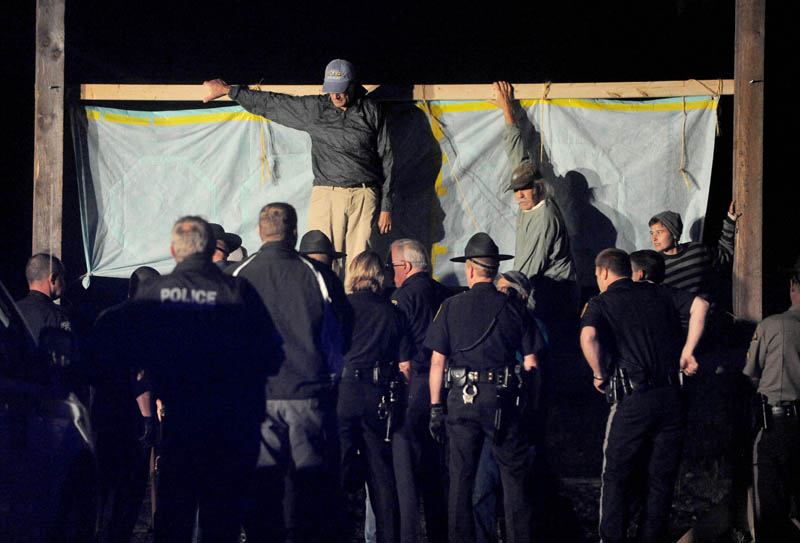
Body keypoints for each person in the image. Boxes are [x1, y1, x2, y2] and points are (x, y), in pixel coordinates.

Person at [128, 216, 278, 543]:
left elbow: (130, 359)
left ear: (172, 251)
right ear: (212, 250)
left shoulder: (154, 292)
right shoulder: (238, 291)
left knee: (173, 522)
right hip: (228, 428)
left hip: (178, 425)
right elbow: (270, 356)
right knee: (220, 524)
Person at [203, 59, 395, 286]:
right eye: (331, 90)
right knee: (320, 254)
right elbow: (275, 104)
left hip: (364, 194)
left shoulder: (371, 111)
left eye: (340, 90)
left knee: (361, 260)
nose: (335, 96)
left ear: (353, 85)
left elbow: (387, 157)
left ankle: (357, 309)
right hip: (328, 192)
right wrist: (228, 91)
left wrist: (386, 207)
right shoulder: (317, 109)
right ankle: (321, 304)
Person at [229, 203, 348, 543]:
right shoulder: (318, 275)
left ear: (259, 231)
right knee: (307, 494)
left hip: (256, 402)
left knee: (261, 490)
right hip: (307, 397)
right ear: (294, 232)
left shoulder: (238, 275)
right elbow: (341, 338)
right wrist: (327, 379)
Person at [580, 248, 709, 542]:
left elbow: (588, 337)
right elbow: (700, 304)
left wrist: (598, 373)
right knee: (660, 481)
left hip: (633, 399)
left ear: (603, 272)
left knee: (616, 477)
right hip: (672, 399)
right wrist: (688, 352)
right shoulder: (660, 293)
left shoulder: (601, 302)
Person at [425, 232, 539, 543]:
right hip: (504, 401)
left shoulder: (450, 307)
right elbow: (531, 363)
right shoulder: (514, 308)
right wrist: (528, 403)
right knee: (514, 481)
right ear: (494, 270)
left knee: (460, 481)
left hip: (461, 400)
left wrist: (436, 408)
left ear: (471, 270)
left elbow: (437, 364)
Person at [337, 250, 412, 543]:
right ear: (379, 276)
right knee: (381, 477)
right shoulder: (393, 312)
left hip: (343, 393)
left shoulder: (339, 308)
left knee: (338, 472)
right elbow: (405, 366)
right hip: (378, 397)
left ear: (353, 274)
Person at [491, 81, 577, 322]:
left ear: (538, 187)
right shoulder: (528, 194)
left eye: (525, 189)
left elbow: (529, 268)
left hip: (554, 297)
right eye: (516, 191)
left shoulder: (544, 216)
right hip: (539, 290)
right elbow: (517, 153)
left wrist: (497, 288)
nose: (519, 195)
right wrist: (507, 110)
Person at [88, 265, 159, 543]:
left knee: (103, 485)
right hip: (131, 420)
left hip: (103, 413)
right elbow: (140, 374)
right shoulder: (145, 323)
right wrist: (148, 420)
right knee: (129, 490)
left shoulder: (105, 318)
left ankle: (93, 534)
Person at [388, 238, 451, 543]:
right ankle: (440, 533)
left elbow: (396, 343)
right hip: (442, 390)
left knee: (405, 472)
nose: (392, 274)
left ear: (407, 267)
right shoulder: (445, 294)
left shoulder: (403, 297)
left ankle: (408, 536)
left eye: (394, 267)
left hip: (412, 385)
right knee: (436, 469)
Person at [742, 257, 800, 542]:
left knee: (771, 507)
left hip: (780, 425)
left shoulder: (773, 326)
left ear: (793, 285)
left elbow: (752, 374)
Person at [648, 202, 739, 300]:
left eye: (659, 232)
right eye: (652, 233)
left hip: (711, 313)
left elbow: (724, 256)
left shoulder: (697, 250)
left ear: (674, 234)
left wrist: (730, 221)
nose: (654, 238)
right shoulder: (656, 264)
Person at [16, 253, 72, 342]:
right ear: (52, 279)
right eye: (62, 278)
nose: (64, 283)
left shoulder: (13, 311)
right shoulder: (57, 315)